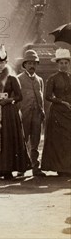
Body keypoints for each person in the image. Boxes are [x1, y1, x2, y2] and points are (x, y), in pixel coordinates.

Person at [0, 44, 30, 180]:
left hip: (8, 112)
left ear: (6, 62)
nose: (0, 65)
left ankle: (8, 169)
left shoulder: (12, 78)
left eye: (2, 62)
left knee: (7, 139)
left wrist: (8, 100)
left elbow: (19, 96)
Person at [16, 49, 46, 177]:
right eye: (29, 63)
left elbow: (41, 97)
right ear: (24, 65)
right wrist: (18, 113)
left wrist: (42, 111)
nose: (32, 66)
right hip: (24, 114)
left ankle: (35, 167)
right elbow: (16, 97)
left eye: (34, 63)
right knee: (23, 140)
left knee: (36, 140)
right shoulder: (19, 79)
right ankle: (21, 168)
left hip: (37, 115)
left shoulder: (39, 80)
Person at [41, 48, 71, 176]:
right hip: (57, 113)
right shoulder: (52, 78)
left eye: (66, 63)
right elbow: (47, 96)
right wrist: (61, 102)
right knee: (59, 140)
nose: (63, 65)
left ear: (69, 64)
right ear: (57, 64)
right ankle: (60, 168)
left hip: (69, 112)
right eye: (61, 63)